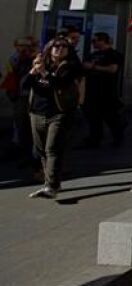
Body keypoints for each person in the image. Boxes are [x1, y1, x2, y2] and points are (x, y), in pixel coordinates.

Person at [26, 38, 83, 199]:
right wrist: (33, 71)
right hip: (37, 112)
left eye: (64, 46)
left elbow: (59, 84)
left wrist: (44, 73)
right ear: (50, 49)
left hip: (58, 113)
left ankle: (52, 186)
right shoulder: (40, 64)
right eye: (56, 46)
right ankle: (50, 183)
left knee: (52, 149)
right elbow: (24, 85)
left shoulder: (70, 67)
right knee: (41, 151)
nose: (60, 48)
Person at [80, 32, 125, 148]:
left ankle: (118, 137)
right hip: (92, 91)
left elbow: (113, 69)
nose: (93, 43)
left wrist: (93, 67)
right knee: (93, 117)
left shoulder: (114, 54)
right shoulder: (93, 54)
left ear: (102, 41)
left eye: (94, 41)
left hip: (107, 91)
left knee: (110, 116)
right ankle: (94, 139)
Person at [4, 37, 38, 161]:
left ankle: (25, 149)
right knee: (19, 121)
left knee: (27, 123)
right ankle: (18, 145)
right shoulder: (15, 58)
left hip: (29, 95)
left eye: (27, 45)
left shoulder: (35, 59)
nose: (24, 48)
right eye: (21, 45)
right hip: (18, 94)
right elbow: (11, 73)